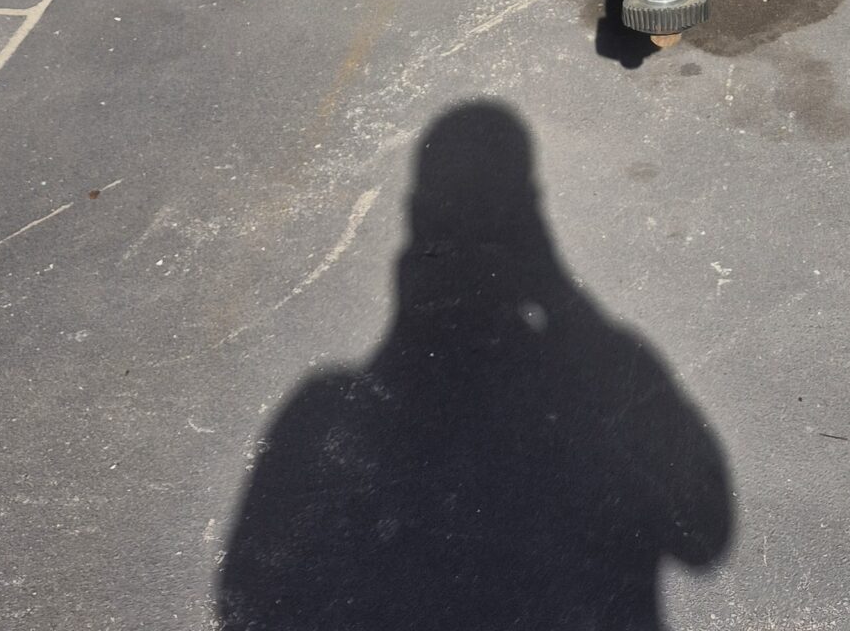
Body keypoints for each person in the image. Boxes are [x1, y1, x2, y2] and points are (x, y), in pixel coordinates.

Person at [217, 100, 733, 628]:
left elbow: (253, 604)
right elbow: (704, 532)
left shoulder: (332, 416)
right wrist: (560, 296)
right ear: (531, 225)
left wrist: (414, 326)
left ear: (414, 221)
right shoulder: (592, 391)